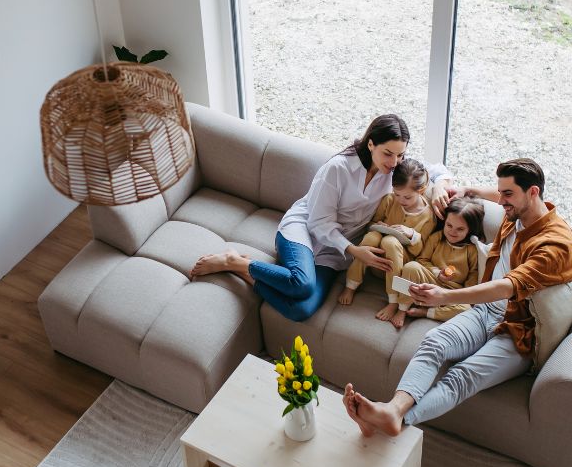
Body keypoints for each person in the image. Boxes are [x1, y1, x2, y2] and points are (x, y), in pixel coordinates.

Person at [342, 158, 572, 437]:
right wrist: (471, 190)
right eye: (500, 193)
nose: (501, 201)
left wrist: (445, 296)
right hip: (485, 312)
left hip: (518, 332)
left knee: (462, 376)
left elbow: (508, 287)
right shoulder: (519, 213)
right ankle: (391, 411)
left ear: (533, 192)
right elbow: (498, 196)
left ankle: (395, 418)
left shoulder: (555, 245)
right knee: (433, 343)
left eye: (507, 194)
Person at [190, 114, 452, 322]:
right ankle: (235, 261)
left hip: (334, 252)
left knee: (301, 310)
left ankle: (243, 269)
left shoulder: (394, 171)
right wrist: (355, 251)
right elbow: (318, 223)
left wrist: (440, 185)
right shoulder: (338, 168)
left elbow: (436, 170)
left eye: (401, 154)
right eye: (388, 153)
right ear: (371, 143)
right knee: (302, 284)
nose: (395, 162)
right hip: (304, 231)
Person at [337, 158, 437, 324]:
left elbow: (420, 253)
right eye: (397, 194)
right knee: (372, 236)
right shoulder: (389, 200)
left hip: (399, 269)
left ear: (422, 190)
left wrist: (412, 234)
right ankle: (351, 285)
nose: (401, 200)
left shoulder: (428, 216)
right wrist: (378, 225)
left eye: (407, 197)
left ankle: (393, 302)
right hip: (375, 261)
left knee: (390, 241)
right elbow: (370, 224)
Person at [394, 197, 484, 329]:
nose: (452, 231)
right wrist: (437, 273)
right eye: (449, 225)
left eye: (460, 229)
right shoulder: (437, 237)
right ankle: (402, 308)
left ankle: (427, 312)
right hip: (431, 281)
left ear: (470, 230)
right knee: (411, 267)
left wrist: (464, 296)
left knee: (466, 309)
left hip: (451, 293)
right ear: (445, 222)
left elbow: (472, 276)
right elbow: (422, 260)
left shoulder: (471, 250)